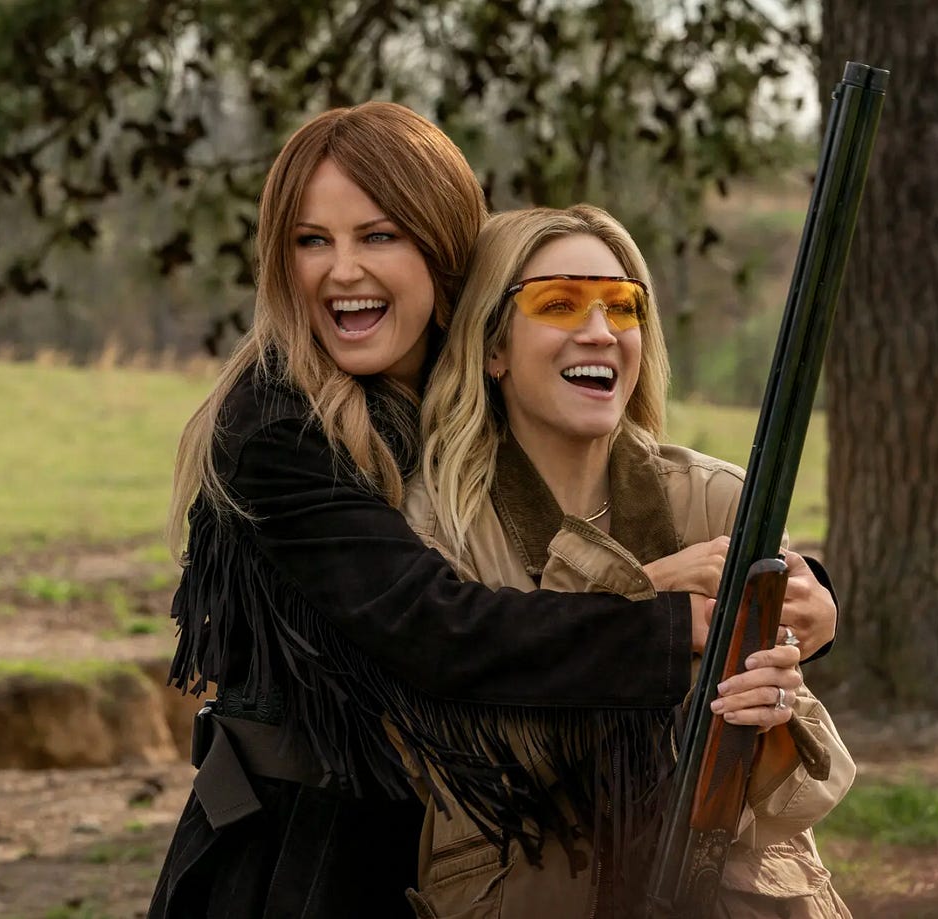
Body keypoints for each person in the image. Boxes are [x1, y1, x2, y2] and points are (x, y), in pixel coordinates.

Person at [147, 104, 836, 919]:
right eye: (311, 240)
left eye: (379, 235)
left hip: (440, 846)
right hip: (301, 851)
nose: (343, 270)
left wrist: (804, 596)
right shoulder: (278, 426)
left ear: (444, 251)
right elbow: (440, 626)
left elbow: (612, 497)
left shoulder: (462, 372)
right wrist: (661, 606)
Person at [403, 204, 855, 917]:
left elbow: (801, 795)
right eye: (558, 304)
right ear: (492, 348)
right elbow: (467, 767)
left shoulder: (721, 500)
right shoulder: (438, 525)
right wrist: (641, 597)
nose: (601, 331)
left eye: (622, 306)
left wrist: (771, 712)